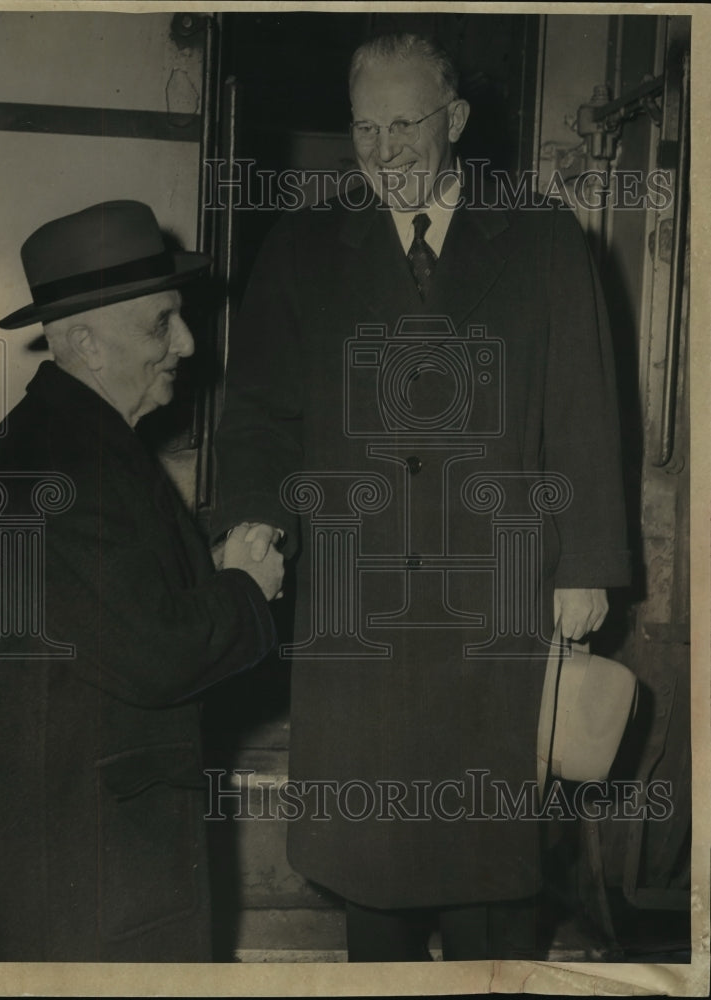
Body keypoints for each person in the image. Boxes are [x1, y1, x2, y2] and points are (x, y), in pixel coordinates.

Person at [212, 32, 630, 962]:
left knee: (491, 861)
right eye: (365, 127)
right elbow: (260, 415)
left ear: (457, 121)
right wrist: (253, 518)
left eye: (405, 124)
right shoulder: (306, 244)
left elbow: (583, 412)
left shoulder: (541, 236)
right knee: (376, 864)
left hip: (499, 591)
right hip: (358, 598)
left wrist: (589, 564)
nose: (384, 149)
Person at [0, 199, 284, 962]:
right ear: (87, 344)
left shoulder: (71, 445)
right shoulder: (63, 471)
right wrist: (243, 588)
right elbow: (157, 651)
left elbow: (123, 603)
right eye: (163, 323)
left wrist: (216, 567)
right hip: (86, 876)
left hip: (88, 854)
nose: (189, 343)